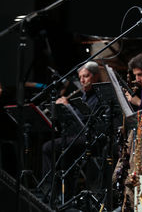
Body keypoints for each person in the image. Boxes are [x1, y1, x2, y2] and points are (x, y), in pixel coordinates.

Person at [41, 61, 106, 200]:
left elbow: (85, 119)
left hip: (91, 138)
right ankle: (63, 194)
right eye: (80, 77)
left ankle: (50, 188)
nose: (82, 80)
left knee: (48, 147)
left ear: (95, 77)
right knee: (63, 153)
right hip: (78, 137)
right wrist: (60, 110)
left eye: (86, 76)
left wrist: (67, 106)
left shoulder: (100, 95)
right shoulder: (84, 95)